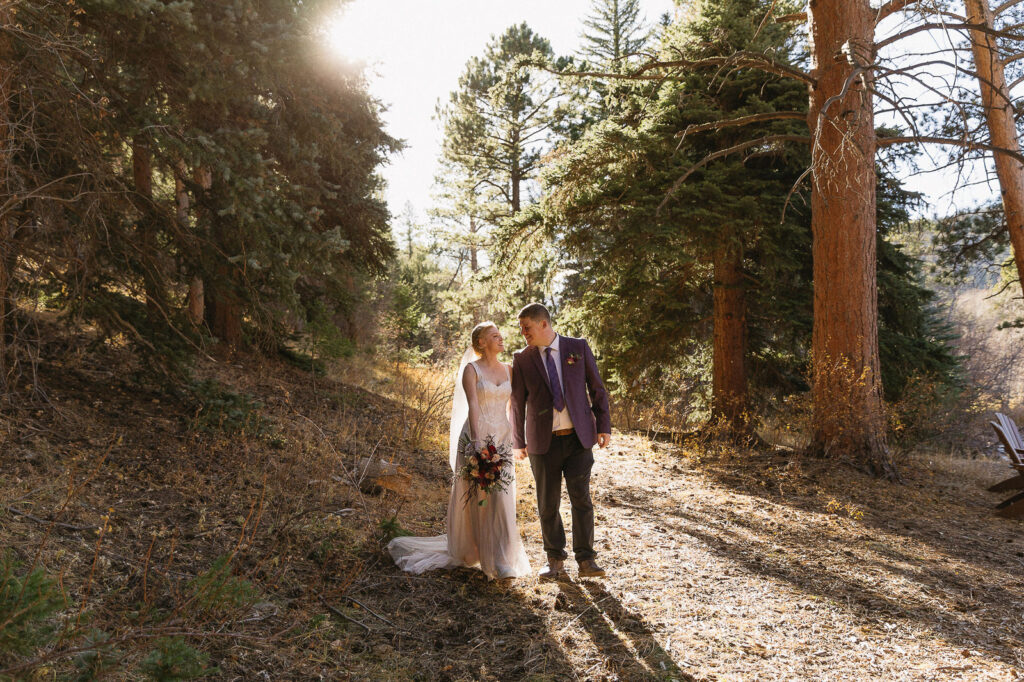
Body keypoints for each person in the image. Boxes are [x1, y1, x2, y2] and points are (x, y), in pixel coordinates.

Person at [387, 321, 531, 580]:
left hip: (503, 439)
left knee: (502, 496)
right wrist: (477, 442)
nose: (500, 338)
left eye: (500, 335)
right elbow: (473, 405)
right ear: (481, 343)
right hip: (477, 436)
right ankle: (477, 550)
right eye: (494, 336)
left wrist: (517, 439)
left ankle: (502, 559)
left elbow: (514, 408)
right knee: (478, 498)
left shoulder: (510, 370)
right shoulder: (471, 370)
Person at [511, 303, 611, 581]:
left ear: (543, 324)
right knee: (547, 503)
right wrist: (518, 440)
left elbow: (597, 387)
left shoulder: (577, 347)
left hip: (579, 439)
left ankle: (586, 560)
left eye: (527, 328)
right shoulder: (522, 358)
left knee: (581, 498)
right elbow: (517, 402)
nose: (523, 334)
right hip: (542, 443)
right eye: (522, 329)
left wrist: (604, 425)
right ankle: (554, 559)